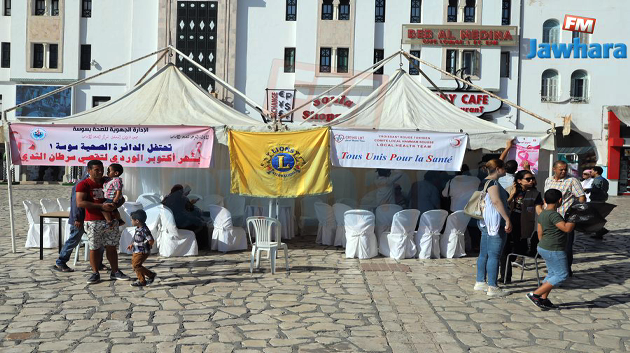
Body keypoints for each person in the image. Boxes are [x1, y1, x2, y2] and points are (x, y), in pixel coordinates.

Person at [76, 160, 130, 284]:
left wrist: (116, 203)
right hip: (93, 221)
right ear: (89, 170)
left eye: (101, 169)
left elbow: (119, 197)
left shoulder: (109, 181)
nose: (100, 172)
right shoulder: (83, 184)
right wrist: (101, 206)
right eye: (96, 170)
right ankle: (95, 273)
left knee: (111, 247)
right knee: (94, 248)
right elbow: (80, 202)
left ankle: (115, 271)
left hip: (111, 220)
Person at [526, 189, 575, 310]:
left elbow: (540, 232)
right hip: (554, 249)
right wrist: (573, 219)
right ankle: (535, 295)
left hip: (544, 247)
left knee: (552, 273)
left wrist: (543, 244)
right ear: (560, 200)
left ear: (544, 201)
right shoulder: (554, 215)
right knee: (562, 274)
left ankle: (543, 299)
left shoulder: (542, 213)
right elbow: (566, 229)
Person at [474, 159, 512, 297]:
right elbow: (496, 201)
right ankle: (493, 286)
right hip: (495, 223)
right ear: (498, 169)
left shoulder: (483, 181)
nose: (505, 170)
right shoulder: (493, 183)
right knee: (494, 255)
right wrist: (507, 219)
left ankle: (480, 281)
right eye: (504, 168)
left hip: (485, 222)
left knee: (484, 253)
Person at [53, 173, 104, 272]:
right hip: (80, 219)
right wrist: (77, 218)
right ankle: (61, 262)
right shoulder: (81, 184)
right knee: (73, 240)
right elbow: (76, 203)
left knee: (98, 241)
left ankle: (98, 263)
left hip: (91, 219)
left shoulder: (94, 183)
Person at [500, 170, 543, 283]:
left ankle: (515, 261)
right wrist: (513, 194)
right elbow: (503, 205)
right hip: (509, 223)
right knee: (505, 251)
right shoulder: (510, 189)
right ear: (519, 181)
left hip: (524, 225)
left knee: (519, 250)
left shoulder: (535, 193)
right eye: (528, 179)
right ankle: (505, 277)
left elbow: (539, 209)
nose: (531, 181)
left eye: (532, 179)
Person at [544, 161, 585, 276]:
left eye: (565, 169)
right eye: (561, 169)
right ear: (554, 169)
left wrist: (575, 209)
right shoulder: (548, 180)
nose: (563, 171)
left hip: (564, 218)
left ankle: (566, 270)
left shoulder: (572, 181)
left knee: (566, 245)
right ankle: (553, 268)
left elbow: (581, 197)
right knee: (551, 245)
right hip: (549, 217)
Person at [162, 184, 209, 249]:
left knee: (198, 220)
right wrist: (197, 219)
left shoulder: (166, 199)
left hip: (169, 224)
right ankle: (200, 246)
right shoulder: (182, 199)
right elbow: (188, 213)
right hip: (180, 224)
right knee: (202, 225)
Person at [126, 209, 156, 287]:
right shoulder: (138, 228)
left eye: (131, 220)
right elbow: (138, 239)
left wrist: (148, 246)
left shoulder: (144, 230)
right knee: (135, 265)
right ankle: (142, 280)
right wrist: (132, 244)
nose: (131, 221)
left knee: (136, 265)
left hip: (142, 251)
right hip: (136, 250)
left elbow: (151, 240)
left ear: (137, 221)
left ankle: (150, 275)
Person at [102, 163, 125, 227]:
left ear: (116, 173)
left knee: (103, 208)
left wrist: (115, 199)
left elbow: (119, 191)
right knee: (114, 210)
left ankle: (109, 221)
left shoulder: (116, 180)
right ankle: (120, 220)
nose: (107, 173)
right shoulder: (111, 179)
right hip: (110, 198)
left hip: (112, 199)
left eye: (109, 171)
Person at [590, 166, 610, 239]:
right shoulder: (604, 179)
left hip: (596, 199)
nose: (590, 173)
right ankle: (599, 232)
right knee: (597, 216)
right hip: (602, 199)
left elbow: (596, 189)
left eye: (591, 171)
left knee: (594, 216)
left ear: (596, 172)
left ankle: (601, 230)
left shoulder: (597, 180)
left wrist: (587, 189)